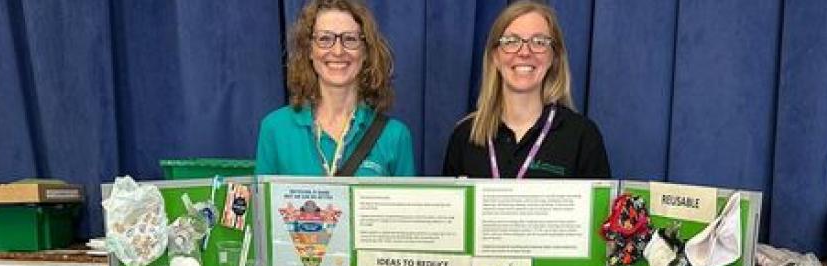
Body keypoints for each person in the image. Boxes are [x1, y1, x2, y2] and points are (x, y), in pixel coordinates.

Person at [442, 1, 610, 179]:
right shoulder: (464, 137)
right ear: (495, 57)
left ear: (554, 57)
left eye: (538, 42)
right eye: (511, 41)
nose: (524, 52)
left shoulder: (582, 137)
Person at [255, 0, 415, 177]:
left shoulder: (395, 136)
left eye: (350, 39)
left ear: (366, 51)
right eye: (325, 39)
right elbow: (264, 203)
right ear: (309, 49)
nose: (338, 51)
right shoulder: (275, 128)